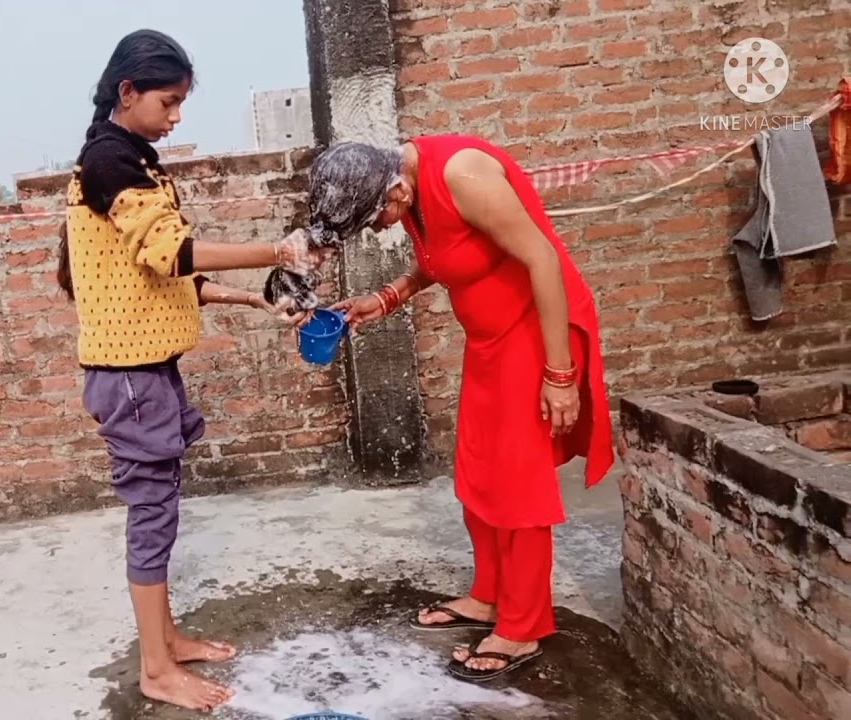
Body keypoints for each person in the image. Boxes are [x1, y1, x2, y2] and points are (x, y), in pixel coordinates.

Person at [55, 29, 320, 711]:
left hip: (146, 371)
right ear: (128, 92)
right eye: (168, 102)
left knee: (162, 506)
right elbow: (173, 255)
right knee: (153, 515)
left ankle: (165, 639)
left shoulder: (130, 162)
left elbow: (154, 277)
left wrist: (251, 298)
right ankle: (155, 668)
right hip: (130, 379)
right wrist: (277, 249)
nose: (176, 117)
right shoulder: (110, 162)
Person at [310, 136, 615, 683]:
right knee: (478, 474)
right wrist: (386, 298)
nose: (381, 229)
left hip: (534, 335)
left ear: (396, 188)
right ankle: (489, 597)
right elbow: (447, 259)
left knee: (519, 485)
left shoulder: (463, 176)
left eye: (377, 218)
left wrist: (560, 375)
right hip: (490, 342)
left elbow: (542, 257)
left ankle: (523, 626)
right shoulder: (408, 192)